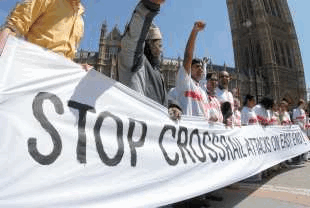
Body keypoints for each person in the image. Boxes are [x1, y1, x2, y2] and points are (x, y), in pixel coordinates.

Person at [117, 0, 181, 120]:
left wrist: (173, 105)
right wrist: (148, 6)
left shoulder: (157, 72)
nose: (161, 50)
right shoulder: (135, 62)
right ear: (148, 44)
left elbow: (162, 99)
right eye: (159, 45)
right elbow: (133, 39)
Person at [0, 0, 84, 61]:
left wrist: (79, 68)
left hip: (60, 78)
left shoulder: (79, 19)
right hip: (34, 65)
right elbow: (13, 27)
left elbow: (68, 56)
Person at [169, 21, 208, 117]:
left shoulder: (203, 93)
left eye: (201, 67)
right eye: (197, 66)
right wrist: (195, 32)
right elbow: (188, 57)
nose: (201, 69)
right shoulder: (185, 82)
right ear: (189, 69)